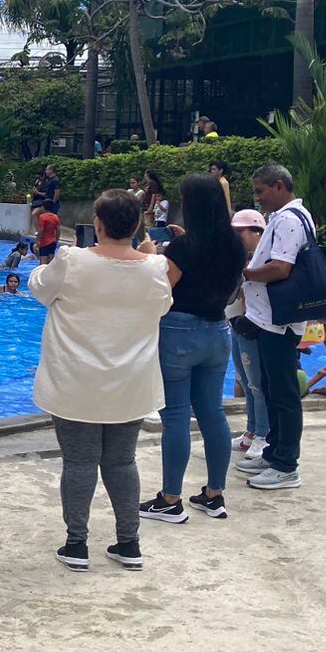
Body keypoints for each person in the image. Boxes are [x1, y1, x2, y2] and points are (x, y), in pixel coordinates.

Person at [31, 189, 172, 570]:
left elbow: (39, 287)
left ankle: (77, 545)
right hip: (130, 384)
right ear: (139, 224)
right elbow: (162, 306)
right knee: (122, 462)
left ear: (98, 224)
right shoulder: (154, 268)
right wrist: (151, 256)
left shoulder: (72, 259)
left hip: (75, 382)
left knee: (78, 462)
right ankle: (129, 542)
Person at [138, 174, 247, 525]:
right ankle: (215, 494)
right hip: (218, 332)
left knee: (176, 417)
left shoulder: (185, 248)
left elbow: (161, 291)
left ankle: (171, 499)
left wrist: (153, 256)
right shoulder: (235, 243)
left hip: (180, 333)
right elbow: (230, 291)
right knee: (212, 413)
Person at [234, 163, 315, 491]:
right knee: (270, 386)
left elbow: (281, 268)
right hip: (270, 318)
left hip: (279, 321)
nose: (258, 199)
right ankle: (274, 450)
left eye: (260, 191)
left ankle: (286, 465)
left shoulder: (288, 220)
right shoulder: (294, 216)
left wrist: (248, 274)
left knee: (283, 392)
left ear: (280, 186)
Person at [226, 210, 271, 460]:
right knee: (244, 380)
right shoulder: (240, 258)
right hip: (236, 322)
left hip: (252, 324)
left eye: (240, 232)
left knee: (257, 383)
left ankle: (263, 434)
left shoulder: (264, 259)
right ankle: (252, 430)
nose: (237, 236)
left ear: (257, 232)